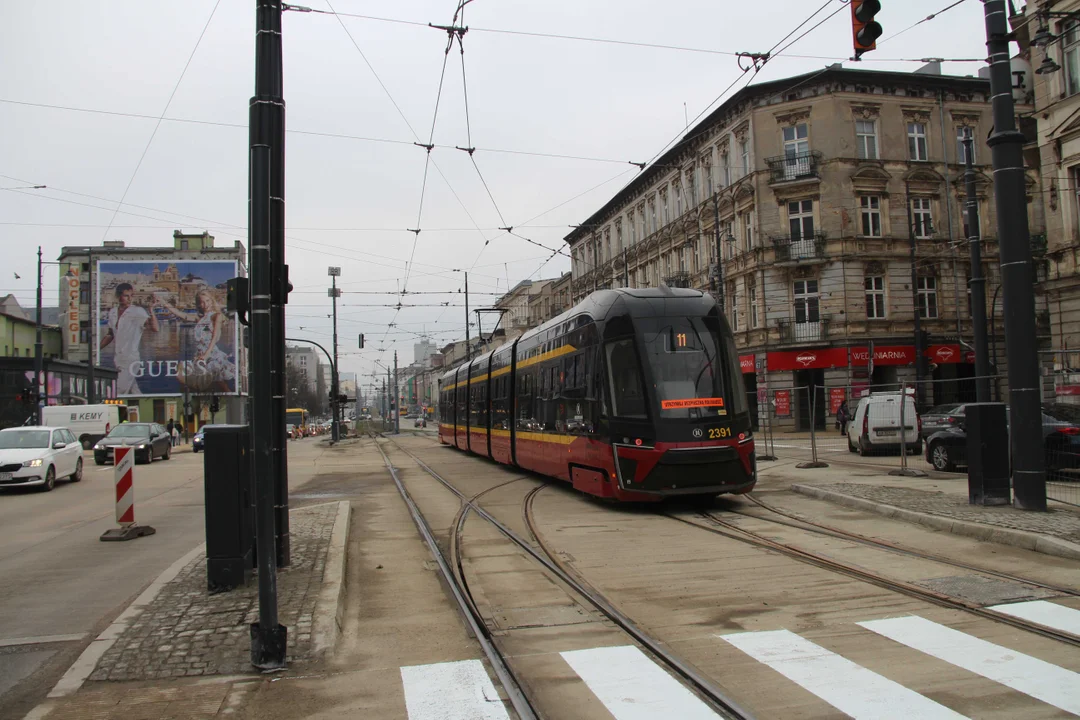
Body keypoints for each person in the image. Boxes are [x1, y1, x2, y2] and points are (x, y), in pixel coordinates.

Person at [159, 288, 235, 393]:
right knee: (182, 376)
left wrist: (206, 355)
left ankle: (230, 403)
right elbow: (180, 314)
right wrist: (164, 303)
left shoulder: (216, 315)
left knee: (220, 384)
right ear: (199, 304)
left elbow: (215, 337)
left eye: (207, 301)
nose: (205, 304)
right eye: (202, 302)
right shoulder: (199, 318)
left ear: (211, 300)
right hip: (199, 354)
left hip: (211, 354)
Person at [100, 283, 159, 395]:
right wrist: (96, 349)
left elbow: (155, 328)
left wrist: (151, 310)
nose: (130, 298)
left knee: (117, 391)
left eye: (131, 295)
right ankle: (143, 410)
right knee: (134, 392)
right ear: (118, 296)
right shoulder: (112, 312)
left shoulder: (137, 311)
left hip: (131, 360)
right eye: (126, 295)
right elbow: (110, 334)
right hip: (118, 359)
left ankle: (106, 410)